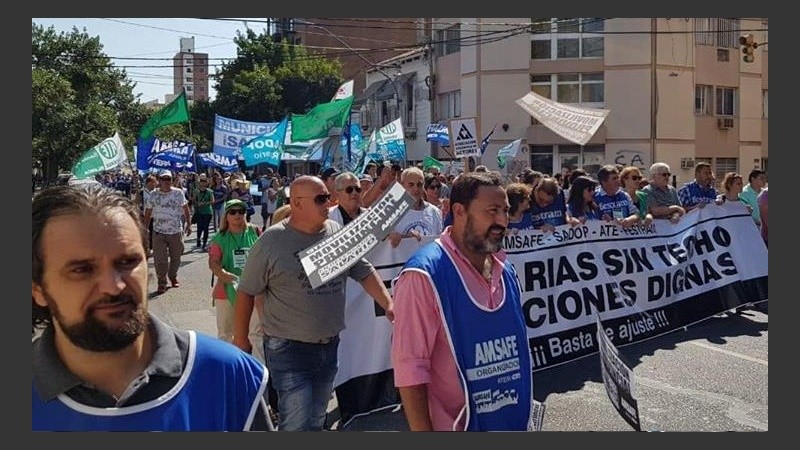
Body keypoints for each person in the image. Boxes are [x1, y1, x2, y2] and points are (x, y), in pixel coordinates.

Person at [32, 184, 272, 431]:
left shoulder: (228, 375)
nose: (113, 286)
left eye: (127, 261)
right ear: (37, 288)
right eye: (81, 269)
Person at [232, 175, 394, 431]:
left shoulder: (334, 231)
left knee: (317, 417)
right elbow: (246, 292)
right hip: (288, 348)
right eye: (320, 199)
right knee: (296, 420)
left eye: (328, 197)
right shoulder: (271, 242)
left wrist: (388, 304)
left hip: (329, 345)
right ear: (296, 203)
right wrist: (241, 340)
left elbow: (362, 270)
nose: (328, 203)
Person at [391, 171, 535, 431]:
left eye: (505, 211)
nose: (502, 220)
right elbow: (410, 368)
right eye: (491, 211)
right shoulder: (424, 275)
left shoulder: (506, 269)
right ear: (459, 211)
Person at [208, 199, 265, 357]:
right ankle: (229, 368)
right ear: (226, 216)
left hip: (253, 290)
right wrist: (223, 274)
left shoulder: (256, 232)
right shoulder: (219, 238)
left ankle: (259, 371)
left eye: (241, 211)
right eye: (233, 212)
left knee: (255, 333)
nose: (237, 215)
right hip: (226, 291)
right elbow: (213, 263)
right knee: (226, 334)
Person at [143, 170, 192, 294]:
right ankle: (162, 282)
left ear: (172, 180)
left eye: (168, 179)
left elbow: (186, 209)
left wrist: (189, 224)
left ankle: (172, 275)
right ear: (159, 180)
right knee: (160, 259)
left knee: (177, 255)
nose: (166, 181)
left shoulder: (178, 193)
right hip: (159, 232)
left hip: (175, 231)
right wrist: (145, 229)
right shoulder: (153, 195)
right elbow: (148, 213)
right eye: (163, 179)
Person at [389, 167, 443, 248]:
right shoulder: (391, 213)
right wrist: (399, 237)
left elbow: (440, 242)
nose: (415, 189)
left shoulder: (435, 212)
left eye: (419, 185)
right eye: (411, 185)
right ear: (402, 186)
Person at [191, 174, 214, 251]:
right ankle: (198, 239)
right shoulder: (196, 191)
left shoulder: (210, 192)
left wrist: (204, 203)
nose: (203, 183)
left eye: (205, 181)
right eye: (202, 181)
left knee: (206, 227)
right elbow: (193, 200)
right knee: (199, 227)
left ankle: (204, 243)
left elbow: (212, 201)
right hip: (199, 211)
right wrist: (196, 202)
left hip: (207, 212)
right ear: (199, 182)